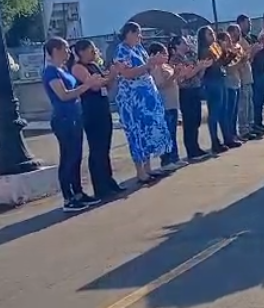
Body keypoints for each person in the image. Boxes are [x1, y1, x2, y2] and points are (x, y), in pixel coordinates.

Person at [42, 37, 104, 212]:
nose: (69, 52)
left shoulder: (62, 70)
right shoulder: (51, 72)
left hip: (75, 116)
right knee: (68, 157)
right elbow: (64, 95)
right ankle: (68, 197)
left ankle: (78, 193)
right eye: (65, 49)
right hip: (63, 118)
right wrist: (87, 85)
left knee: (76, 156)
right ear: (55, 50)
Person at [114, 22, 172, 184]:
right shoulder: (121, 51)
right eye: (137, 33)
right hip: (133, 100)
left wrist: (156, 64)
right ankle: (140, 172)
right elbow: (126, 73)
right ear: (129, 33)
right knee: (137, 133)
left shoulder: (139, 49)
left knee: (147, 132)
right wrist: (148, 65)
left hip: (147, 98)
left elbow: (148, 68)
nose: (140, 37)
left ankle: (148, 168)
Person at [69, 40, 125, 199]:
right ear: (81, 51)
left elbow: (105, 85)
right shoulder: (78, 67)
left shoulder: (94, 65)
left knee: (105, 147)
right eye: (91, 50)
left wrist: (112, 76)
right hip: (90, 110)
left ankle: (108, 180)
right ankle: (100, 186)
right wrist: (109, 77)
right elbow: (93, 85)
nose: (95, 52)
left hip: (102, 107)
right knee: (97, 149)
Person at [168, 35, 211, 161]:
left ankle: (196, 147)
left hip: (195, 89)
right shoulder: (175, 60)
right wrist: (198, 68)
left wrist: (202, 68)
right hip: (185, 92)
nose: (187, 45)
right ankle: (191, 150)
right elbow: (183, 77)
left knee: (196, 119)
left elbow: (197, 75)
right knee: (189, 121)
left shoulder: (188, 57)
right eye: (184, 43)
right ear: (177, 45)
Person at [197, 26, 237, 153]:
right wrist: (222, 56)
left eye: (212, 33)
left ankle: (228, 138)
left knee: (224, 111)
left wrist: (229, 53)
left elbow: (223, 62)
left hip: (221, 79)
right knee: (214, 112)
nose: (213, 35)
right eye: (209, 34)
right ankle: (215, 142)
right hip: (212, 81)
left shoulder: (215, 46)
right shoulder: (204, 50)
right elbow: (213, 64)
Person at [147, 42, 182, 170]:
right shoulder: (156, 68)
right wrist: (174, 75)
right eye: (163, 54)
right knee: (167, 133)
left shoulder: (166, 66)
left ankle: (175, 157)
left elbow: (175, 80)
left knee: (172, 133)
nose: (166, 56)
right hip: (165, 104)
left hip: (173, 103)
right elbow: (160, 85)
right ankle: (166, 160)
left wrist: (180, 74)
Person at [228, 23, 260, 140]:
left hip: (247, 77)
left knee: (249, 105)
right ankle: (243, 129)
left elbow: (247, 60)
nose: (239, 33)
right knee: (243, 106)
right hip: (240, 79)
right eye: (236, 31)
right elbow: (235, 64)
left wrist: (250, 54)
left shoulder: (239, 45)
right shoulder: (232, 47)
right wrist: (245, 57)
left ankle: (250, 126)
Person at [218, 30, 246, 147]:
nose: (230, 41)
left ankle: (233, 134)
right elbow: (229, 69)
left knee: (234, 112)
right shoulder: (222, 54)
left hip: (236, 82)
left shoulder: (230, 51)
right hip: (228, 85)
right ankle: (228, 136)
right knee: (229, 112)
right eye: (227, 39)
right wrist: (241, 62)